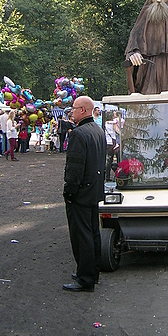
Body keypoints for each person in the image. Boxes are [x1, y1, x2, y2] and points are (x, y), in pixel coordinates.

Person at [62, 96, 106, 292]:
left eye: (73, 108)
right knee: (93, 232)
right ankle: (92, 271)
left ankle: (85, 277)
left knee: (82, 235)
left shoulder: (79, 134)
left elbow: (75, 167)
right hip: (94, 189)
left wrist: (69, 191)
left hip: (81, 191)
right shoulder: (98, 130)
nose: (71, 112)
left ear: (83, 110)